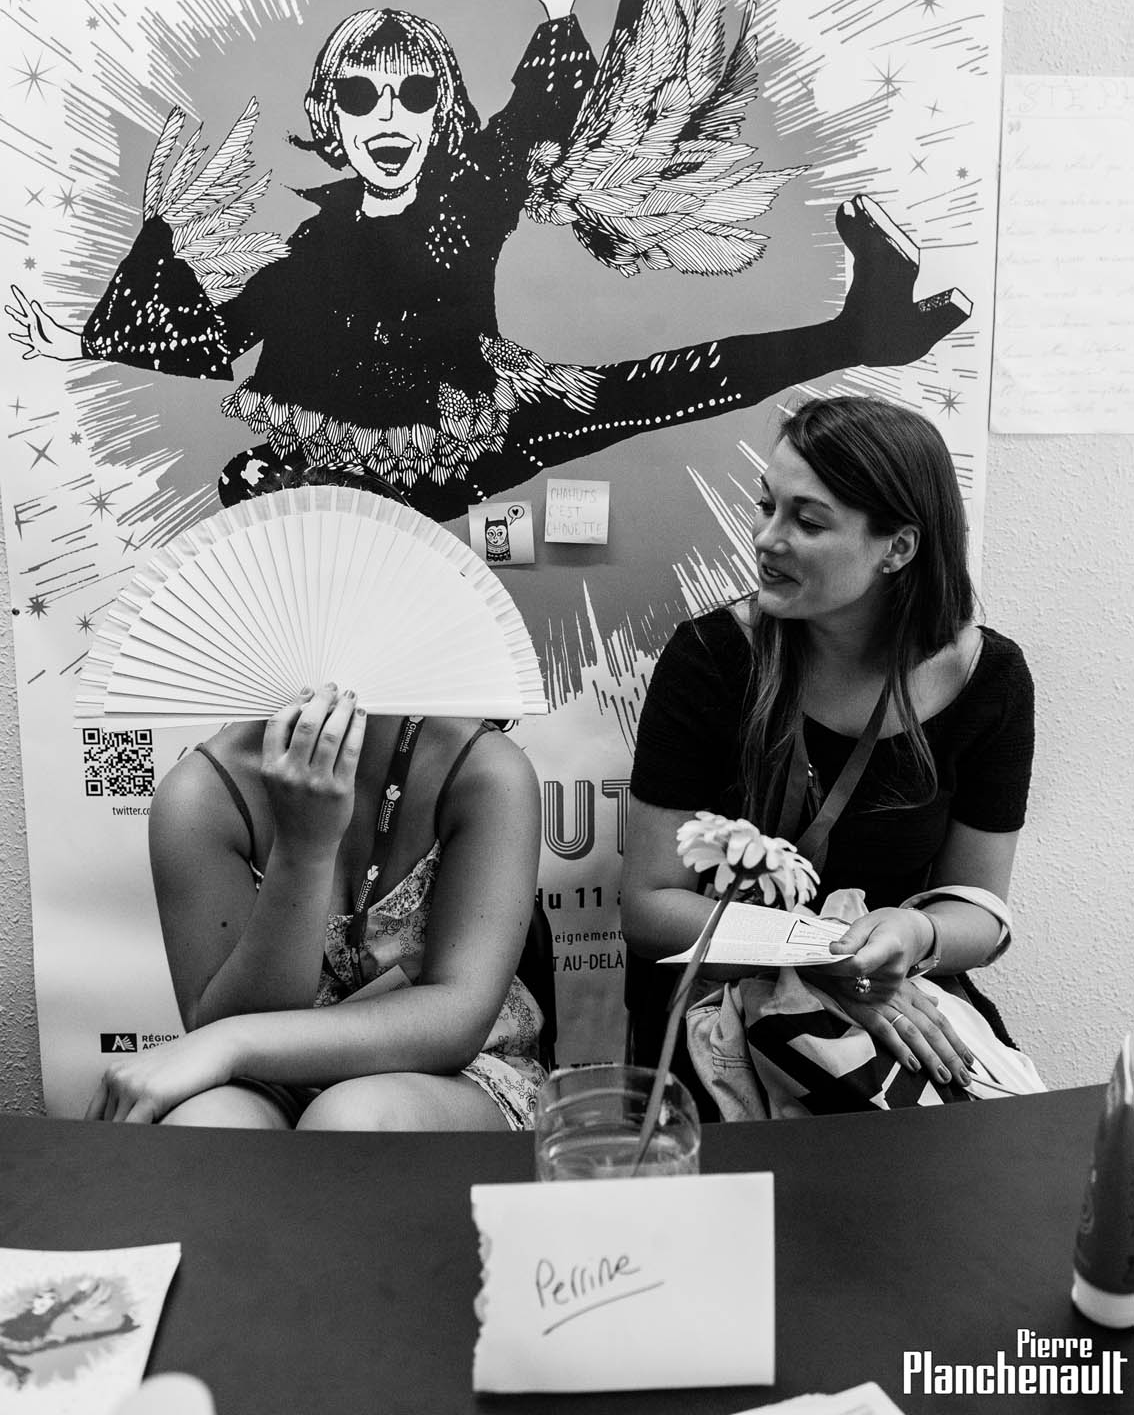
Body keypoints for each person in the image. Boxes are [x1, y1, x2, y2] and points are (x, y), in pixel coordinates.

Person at [8, 0, 967, 523]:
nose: (389, 116)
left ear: (440, 113)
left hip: (465, 434)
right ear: (332, 118)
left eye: (415, 93)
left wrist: (558, 11)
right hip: (327, 465)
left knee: (656, 386)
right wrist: (84, 338)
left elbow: (533, 119)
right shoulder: (310, 251)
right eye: (363, 96)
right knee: (261, 506)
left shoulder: (468, 193)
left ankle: (864, 330)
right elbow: (219, 337)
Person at [622, 393, 1034, 1099]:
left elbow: (979, 914)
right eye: (766, 506)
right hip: (720, 1007)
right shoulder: (711, 658)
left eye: (807, 521)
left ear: (898, 548)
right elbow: (650, 907)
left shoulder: (988, 679)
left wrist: (913, 935)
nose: (766, 538)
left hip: (899, 998)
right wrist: (820, 958)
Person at [85, 687, 544, 1130]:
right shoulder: (201, 793)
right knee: (206, 1128)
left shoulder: (485, 770)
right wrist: (304, 848)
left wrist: (232, 1041)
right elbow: (224, 1027)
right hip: (268, 1078)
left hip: (460, 1074)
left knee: (351, 1120)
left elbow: (456, 1022)